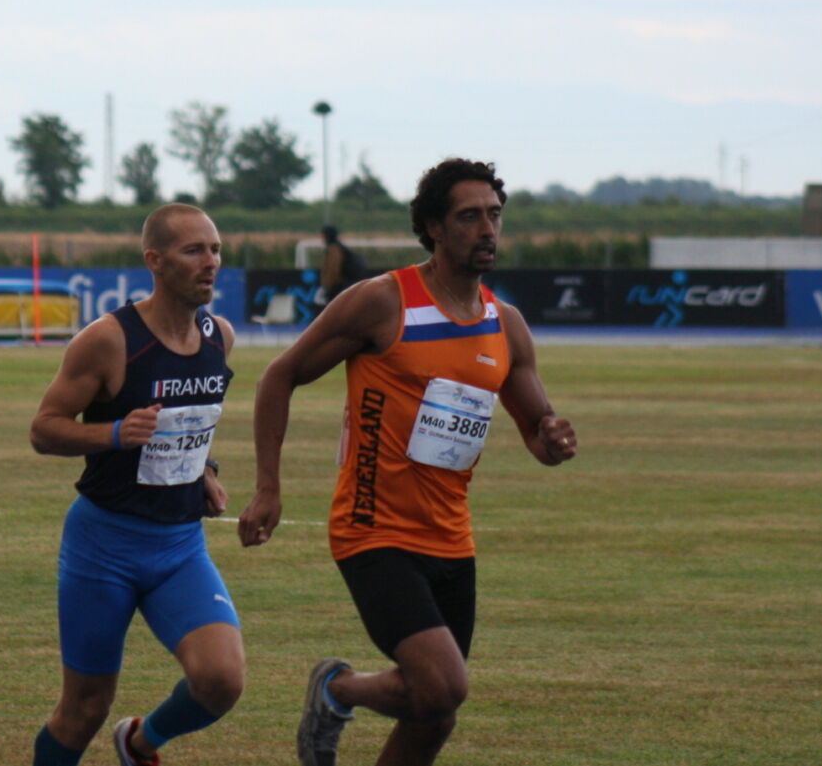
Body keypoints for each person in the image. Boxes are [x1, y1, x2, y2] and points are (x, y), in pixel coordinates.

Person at [237, 158, 579, 766]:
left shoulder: (507, 327)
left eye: (494, 216)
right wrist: (269, 486)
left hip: (451, 539)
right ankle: (337, 689)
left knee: (434, 710)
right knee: (445, 684)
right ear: (433, 229)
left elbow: (537, 432)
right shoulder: (383, 302)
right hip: (374, 530)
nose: (487, 230)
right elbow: (280, 375)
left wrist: (552, 441)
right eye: (469, 217)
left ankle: (336, 691)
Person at [28, 202, 244, 766]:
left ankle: (139, 742)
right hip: (105, 546)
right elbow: (44, 430)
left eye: (216, 249)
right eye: (194, 250)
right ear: (155, 260)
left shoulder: (219, 335)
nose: (211, 262)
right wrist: (115, 433)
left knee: (221, 680)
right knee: (83, 709)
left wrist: (206, 471)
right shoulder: (109, 339)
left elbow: (190, 423)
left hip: (179, 546)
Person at [317, 225, 367, 312]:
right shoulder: (339, 248)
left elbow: (333, 270)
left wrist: (327, 286)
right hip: (341, 286)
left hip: (337, 288)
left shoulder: (333, 249)